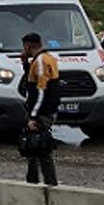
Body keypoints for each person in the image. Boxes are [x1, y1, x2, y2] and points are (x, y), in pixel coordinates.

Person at [21, 32, 61, 186]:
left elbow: (40, 92)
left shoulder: (40, 62)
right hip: (46, 110)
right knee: (33, 149)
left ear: (27, 46)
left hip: (42, 113)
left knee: (41, 149)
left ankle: (50, 184)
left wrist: (33, 116)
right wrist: (25, 63)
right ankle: (32, 182)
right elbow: (32, 80)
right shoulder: (47, 58)